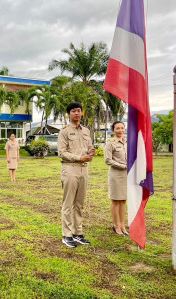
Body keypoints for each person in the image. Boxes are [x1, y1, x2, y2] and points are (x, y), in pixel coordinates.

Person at [58, 102, 95, 248]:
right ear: (69, 114)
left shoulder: (86, 130)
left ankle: (78, 233)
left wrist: (91, 151)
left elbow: (90, 146)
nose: (77, 113)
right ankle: (67, 235)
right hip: (70, 168)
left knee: (80, 204)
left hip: (83, 169)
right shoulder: (65, 131)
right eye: (73, 111)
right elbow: (61, 152)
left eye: (79, 111)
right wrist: (79, 158)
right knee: (68, 203)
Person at [104, 121, 128, 236]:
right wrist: (123, 166)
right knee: (116, 201)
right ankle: (116, 225)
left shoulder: (127, 142)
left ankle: (123, 225)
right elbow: (108, 160)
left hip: (126, 176)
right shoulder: (110, 143)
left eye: (122, 128)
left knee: (123, 200)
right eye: (117, 128)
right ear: (113, 130)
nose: (120, 130)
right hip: (116, 174)